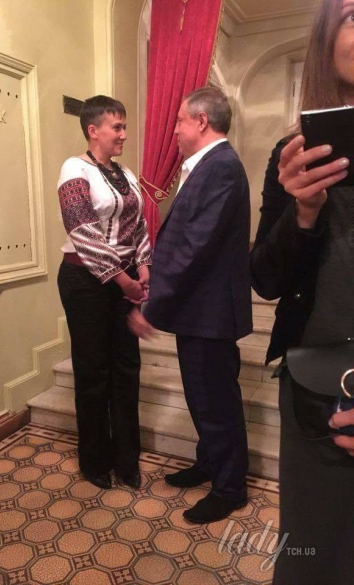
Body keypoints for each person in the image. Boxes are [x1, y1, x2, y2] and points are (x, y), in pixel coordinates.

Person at [250, 1, 354, 582]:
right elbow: (266, 280)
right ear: (325, 38)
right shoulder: (292, 154)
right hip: (317, 386)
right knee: (308, 558)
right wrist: (304, 211)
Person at [129, 86, 252, 523]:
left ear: (201, 121)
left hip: (210, 312)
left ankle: (230, 488)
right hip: (199, 310)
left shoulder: (221, 166)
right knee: (204, 398)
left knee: (217, 402)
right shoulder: (208, 165)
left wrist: (152, 305)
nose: (175, 130)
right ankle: (210, 462)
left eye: (179, 121)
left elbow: (195, 246)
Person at [57, 95, 152, 491]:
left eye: (124, 126)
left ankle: (127, 458)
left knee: (126, 368)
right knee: (93, 371)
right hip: (85, 283)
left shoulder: (125, 173)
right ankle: (94, 459)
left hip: (124, 278)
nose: (124, 134)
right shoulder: (74, 168)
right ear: (93, 130)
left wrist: (143, 266)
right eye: (118, 127)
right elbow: (82, 230)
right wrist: (122, 278)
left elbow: (139, 224)